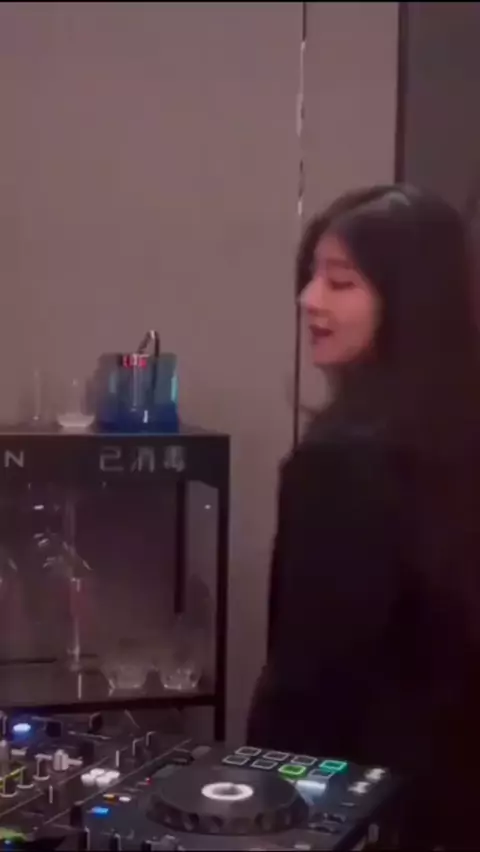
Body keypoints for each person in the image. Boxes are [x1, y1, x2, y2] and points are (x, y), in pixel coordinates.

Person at [247, 185, 480, 848]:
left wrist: (257, 809)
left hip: (360, 809)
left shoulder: (342, 461)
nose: (309, 298)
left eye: (340, 281)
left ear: (410, 302)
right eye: (312, 275)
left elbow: (306, 683)